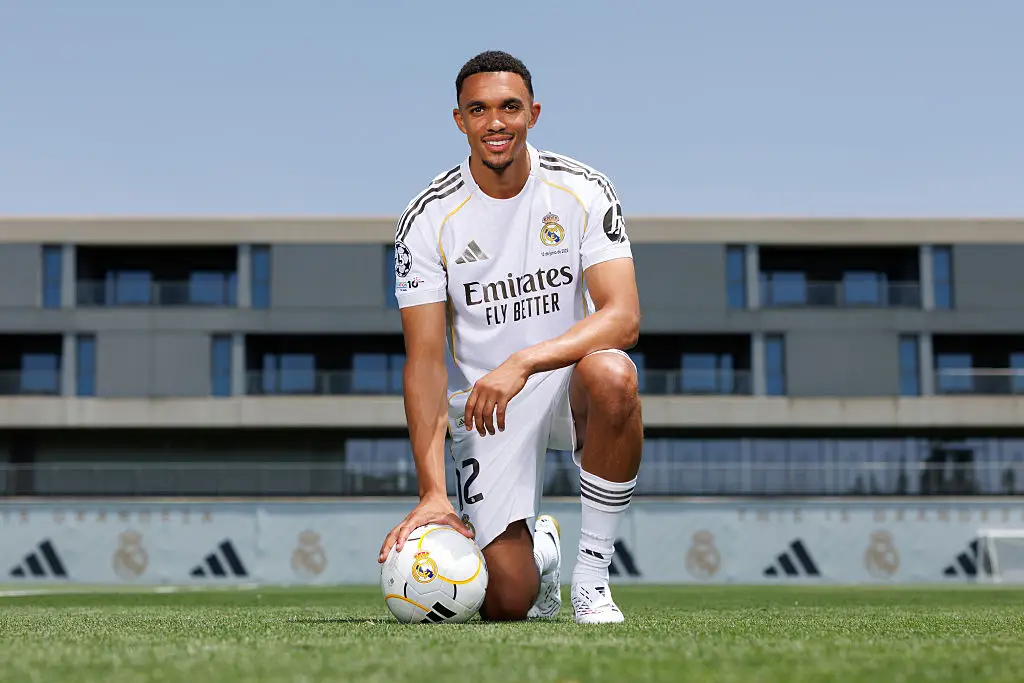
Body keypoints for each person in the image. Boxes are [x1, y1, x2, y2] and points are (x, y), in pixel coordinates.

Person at [377, 50, 643, 625]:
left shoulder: (582, 190)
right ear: (459, 120)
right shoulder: (427, 219)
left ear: (534, 113)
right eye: (479, 110)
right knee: (504, 602)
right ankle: (539, 554)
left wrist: (524, 361)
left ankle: (593, 580)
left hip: (567, 382)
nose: (495, 122)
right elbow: (423, 363)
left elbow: (623, 317)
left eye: (509, 107)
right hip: (487, 406)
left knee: (614, 373)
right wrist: (432, 492)